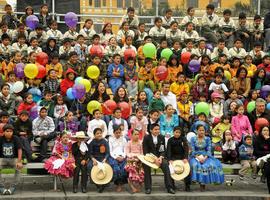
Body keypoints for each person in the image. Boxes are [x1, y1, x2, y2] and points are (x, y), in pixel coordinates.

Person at [142, 123, 175, 194]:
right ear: (151, 130)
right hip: (149, 158)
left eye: (158, 129)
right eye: (155, 129)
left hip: (159, 158)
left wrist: (160, 157)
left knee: (166, 165)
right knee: (146, 166)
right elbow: (145, 152)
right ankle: (148, 188)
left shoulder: (161, 137)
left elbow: (162, 150)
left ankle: (169, 187)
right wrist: (154, 159)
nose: (157, 131)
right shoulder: (146, 138)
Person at [189, 124, 224, 191]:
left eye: (203, 130)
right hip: (195, 156)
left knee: (207, 165)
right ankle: (194, 181)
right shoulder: (193, 139)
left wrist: (205, 158)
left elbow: (209, 149)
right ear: (196, 131)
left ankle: (203, 184)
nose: (201, 132)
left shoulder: (207, 139)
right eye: (200, 130)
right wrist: (198, 157)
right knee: (195, 164)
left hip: (206, 156)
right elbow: (192, 150)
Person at [0, 124, 23, 195]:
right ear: (3, 132)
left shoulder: (15, 138)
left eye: (11, 131)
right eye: (7, 131)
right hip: (2, 159)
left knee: (19, 168)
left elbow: (19, 150)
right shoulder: (0, 139)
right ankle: (1, 186)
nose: (9, 133)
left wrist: (19, 161)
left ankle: (13, 186)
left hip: (13, 159)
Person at [167, 127, 191, 191]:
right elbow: (169, 150)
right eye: (176, 132)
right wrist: (170, 159)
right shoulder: (170, 140)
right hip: (173, 157)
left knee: (187, 168)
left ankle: (187, 185)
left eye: (179, 133)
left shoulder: (183, 139)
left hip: (182, 157)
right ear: (173, 132)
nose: (177, 134)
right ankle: (172, 185)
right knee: (170, 169)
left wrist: (185, 158)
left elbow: (186, 149)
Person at [88, 128, 110, 193]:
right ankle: (96, 184)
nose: (99, 134)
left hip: (103, 158)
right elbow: (90, 153)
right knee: (89, 166)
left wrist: (105, 159)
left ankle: (104, 183)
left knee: (107, 167)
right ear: (94, 135)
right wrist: (93, 159)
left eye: (100, 133)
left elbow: (107, 153)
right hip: (94, 158)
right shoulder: (92, 142)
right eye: (97, 133)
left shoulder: (105, 141)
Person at [108, 125, 128, 192]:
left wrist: (123, 157)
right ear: (114, 133)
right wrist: (116, 157)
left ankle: (120, 184)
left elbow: (125, 150)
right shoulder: (110, 139)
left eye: (119, 132)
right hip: (113, 157)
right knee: (116, 169)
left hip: (122, 156)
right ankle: (117, 184)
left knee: (123, 169)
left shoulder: (124, 139)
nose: (118, 134)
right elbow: (110, 151)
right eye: (116, 133)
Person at [125, 129, 144, 193]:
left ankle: (139, 185)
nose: (137, 136)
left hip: (139, 159)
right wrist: (132, 156)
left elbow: (142, 152)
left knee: (140, 169)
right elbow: (127, 152)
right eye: (135, 134)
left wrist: (138, 157)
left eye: (138, 134)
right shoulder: (129, 143)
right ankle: (132, 187)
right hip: (131, 159)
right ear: (131, 135)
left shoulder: (141, 142)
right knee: (131, 168)